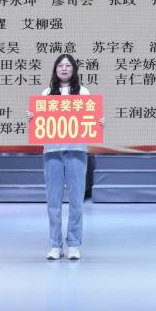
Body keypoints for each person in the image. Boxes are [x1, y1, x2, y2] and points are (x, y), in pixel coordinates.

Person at [26, 53, 101, 261]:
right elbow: (40, 123)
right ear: (55, 69)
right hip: (52, 151)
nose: (64, 68)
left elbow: (90, 120)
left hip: (76, 150)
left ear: (74, 69)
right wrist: (33, 117)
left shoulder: (83, 92)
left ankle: (74, 244)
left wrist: (98, 122)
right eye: (60, 65)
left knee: (76, 200)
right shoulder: (47, 93)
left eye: (68, 65)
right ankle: (54, 244)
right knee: (53, 201)